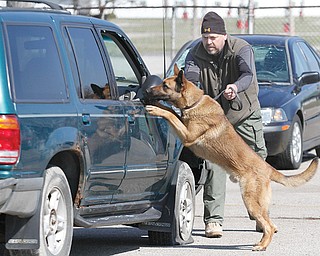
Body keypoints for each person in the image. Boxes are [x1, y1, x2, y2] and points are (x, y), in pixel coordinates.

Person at [184, 11, 267, 238]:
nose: (209, 42)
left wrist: (235, 87)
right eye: (205, 37)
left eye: (213, 38)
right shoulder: (195, 53)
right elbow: (189, 79)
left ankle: (260, 216)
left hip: (245, 113)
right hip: (215, 119)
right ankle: (213, 221)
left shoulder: (241, 48)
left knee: (258, 162)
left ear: (224, 36)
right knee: (214, 165)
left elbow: (248, 74)